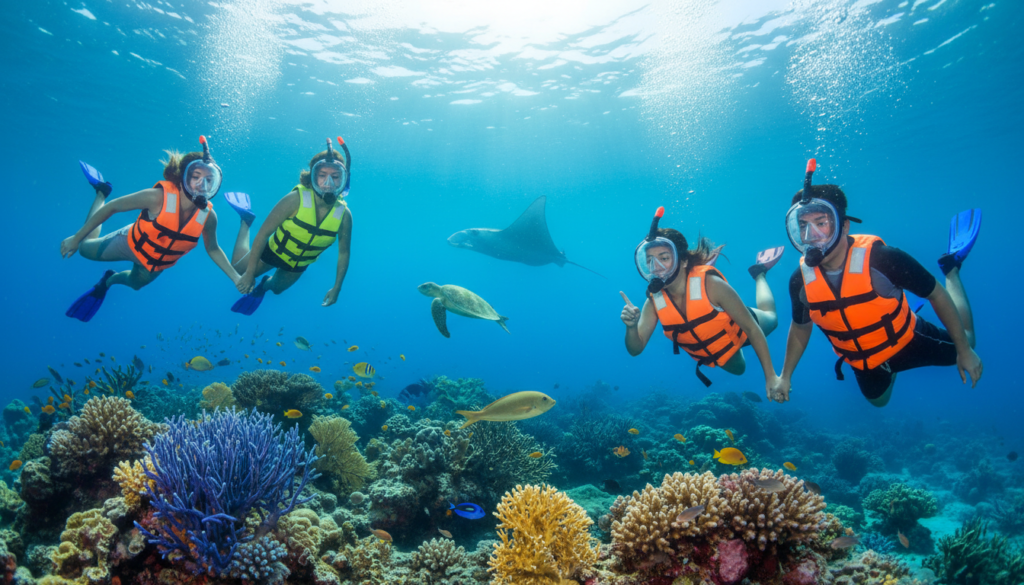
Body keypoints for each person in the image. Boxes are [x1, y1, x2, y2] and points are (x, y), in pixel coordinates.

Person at [769, 159, 983, 407]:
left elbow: (936, 294)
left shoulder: (883, 259)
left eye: (821, 224)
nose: (811, 236)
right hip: (865, 361)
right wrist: (785, 376)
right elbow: (800, 327)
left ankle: (951, 270)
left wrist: (964, 351)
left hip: (910, 339)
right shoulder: (800, 280)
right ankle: (891, 361)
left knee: (968, 341)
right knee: (879, 402)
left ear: (844, 226)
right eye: (803, 226)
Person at [61, 137, 240, 322]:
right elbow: (113, 207)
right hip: (128, 244)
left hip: (155, 263)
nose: (202, 185)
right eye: (196, 177)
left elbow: (213, 248)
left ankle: (108, 280)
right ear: (183, 176)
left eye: (209, 180)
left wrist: (236, 277)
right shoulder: (158, 197)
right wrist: (76, 238)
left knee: (135, 285)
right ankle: (101, 192)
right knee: (83, 248)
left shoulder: (208, 216)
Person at [620, 206, 785, 393]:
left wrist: (771, 377)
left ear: (683, 261)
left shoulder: (712, 285)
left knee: (772, 318)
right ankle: (694, 275)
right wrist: (631, 327)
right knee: (739, 370)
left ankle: (759, 273)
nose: (656, 267)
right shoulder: (654, 302)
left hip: (738, 325)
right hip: (716, 346)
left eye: (664, 258)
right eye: (650, 261)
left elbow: (752, 329)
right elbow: (635, 349)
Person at [225, 137, 353, 315]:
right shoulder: (295, 200)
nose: (328, 183)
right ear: (312, 177)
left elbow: (344, 253)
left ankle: (264, 285)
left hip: (299, 263)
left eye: (336, 177)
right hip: (273, 251)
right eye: (322, 175)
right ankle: (246, 221)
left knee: (277, 290)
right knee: (238, 271)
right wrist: (249, 273)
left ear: (344, 180)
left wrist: (337, 287)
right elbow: (263, 234)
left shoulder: (344, 216)